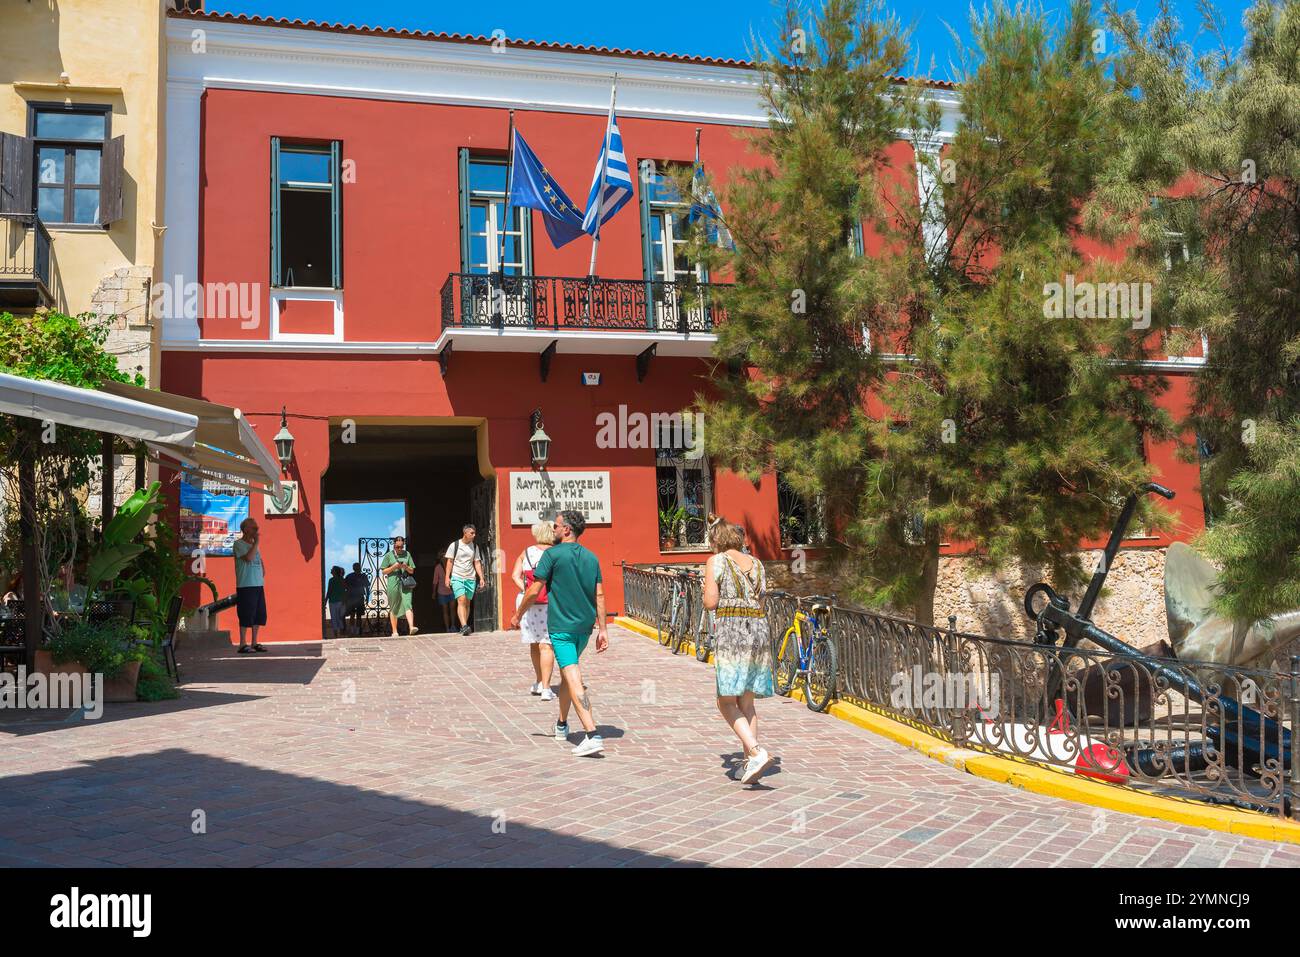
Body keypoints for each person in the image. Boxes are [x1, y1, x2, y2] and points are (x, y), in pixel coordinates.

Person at [512, 510, 608, 757]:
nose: (552, 530)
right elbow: (599, 594)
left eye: (556, 526)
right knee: (567, 675)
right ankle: (562, 724)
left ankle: (591, 733)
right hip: (584, 628)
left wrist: (518, 614)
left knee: (573, 675)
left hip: (562, 628)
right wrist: (603, 629)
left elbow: (534, 590)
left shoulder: (552, 555)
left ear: (567, 529)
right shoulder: (592, 557)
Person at [702, 520, 774, 784]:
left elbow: (710, 602)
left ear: (716, 542)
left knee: (725, 701)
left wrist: (709, 592)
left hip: (733, 632)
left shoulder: (716, 561)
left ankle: (755, 751)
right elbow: (762, 599)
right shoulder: (757, 563)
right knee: (747, 702)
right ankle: (749, 767)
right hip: (758, 629)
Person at [512, 521, 556, 700]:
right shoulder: (555, 553)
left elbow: (515, 575)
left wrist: (526, 590)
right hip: (550, 604)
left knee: (534, 644)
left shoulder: (527, 552)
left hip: (529, 604)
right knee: (547, 645)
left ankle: (538, 681)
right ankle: (546, 688)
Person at [232, 517, 268, 654]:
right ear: (246, 529)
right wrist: (256, 543)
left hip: (258, 585)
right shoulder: (239, 544)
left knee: (258, 614)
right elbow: (248, 558)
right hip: (246, 585)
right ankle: (242, 644)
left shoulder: (254, 546)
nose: (257, 531)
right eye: (254, 528)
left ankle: (254, 642)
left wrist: (261, 573)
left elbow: (260, 563)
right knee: (246, 614)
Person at [444, 525, 485, 636]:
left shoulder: (474, 546)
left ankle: (464, 625)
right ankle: (464, 625)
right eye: (472, 533)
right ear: (465, 533)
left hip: (470, 577)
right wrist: (447, 577)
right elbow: (449, 562)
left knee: (467, 602)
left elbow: (477, 562)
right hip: (457, 576)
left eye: (474, 533)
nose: (474, 535)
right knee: (461, 600)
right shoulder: (455, 545)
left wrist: (481, 577)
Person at [380, 537, 418, 638]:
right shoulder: (389, 555)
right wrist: (394, 567)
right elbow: (383, 571)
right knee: (394, 606)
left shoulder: (407, 554)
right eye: (397, 547)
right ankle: (394, 631)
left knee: (408, 603)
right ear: (394, 545)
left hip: (405, 583)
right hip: (393, 583)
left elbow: (412, 571)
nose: (400, 549)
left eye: (401, 547)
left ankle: (411, 627)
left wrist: (406, 567)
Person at [344, 562, 369, 635]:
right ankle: (357, 631)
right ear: (360, 568)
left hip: (352, 597)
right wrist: (367, 597)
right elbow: (367, 587)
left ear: (353, 568)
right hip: (359, 597)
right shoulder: (363, 576)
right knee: (358, 615)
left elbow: (345, 587)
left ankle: (353, 631)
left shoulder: (349, 576)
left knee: (353, 614)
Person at [431, 559, 455, 633]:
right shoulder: (438, 567)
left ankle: (453, 626)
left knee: (452, 610)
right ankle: (448, 628)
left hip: (452, 590)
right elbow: (435, 581)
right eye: (442, 556)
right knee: (445, 611)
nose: (444, 558)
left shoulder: (452, 565)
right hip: (442, 592)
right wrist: (434, 592)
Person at [326, 565, 347, 638]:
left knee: (334, 617)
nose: (331, 570)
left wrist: (325, 601)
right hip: (341, 601)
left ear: (335, 571)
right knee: (340, 617)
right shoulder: (343, 580)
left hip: (332, 601)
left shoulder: (331, 580)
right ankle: (341, 632)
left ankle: (336, 634)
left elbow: (329, 591)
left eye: (332, 569)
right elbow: (345, 590)